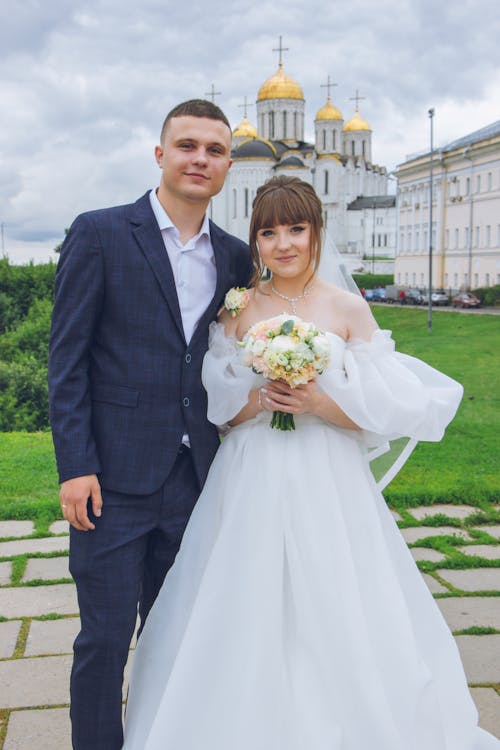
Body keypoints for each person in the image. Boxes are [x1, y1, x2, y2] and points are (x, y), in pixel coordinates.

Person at [123, 176, 500, 749]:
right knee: (243, 593)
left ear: (316, 232)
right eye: (269, 232)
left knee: (339, 593)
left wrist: (320, 401)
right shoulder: (241, 306)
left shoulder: (348, 308)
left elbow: (379, 411)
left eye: (296, 229)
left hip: (328, 474)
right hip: (252, 474)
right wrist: (261, 399)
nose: (284, 244)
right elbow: (221, 410)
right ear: (256, 241)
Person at [48, 99, 253, 750]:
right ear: (160, 154)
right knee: (105, 640)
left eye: (214, 150)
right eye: (187, 145)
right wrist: (75, 463)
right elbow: (68, 360)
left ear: (225, 167)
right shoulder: (101, 233)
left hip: (195, 482)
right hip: (111, 479)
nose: (201, 159)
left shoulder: (234, 258)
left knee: (176, 638)